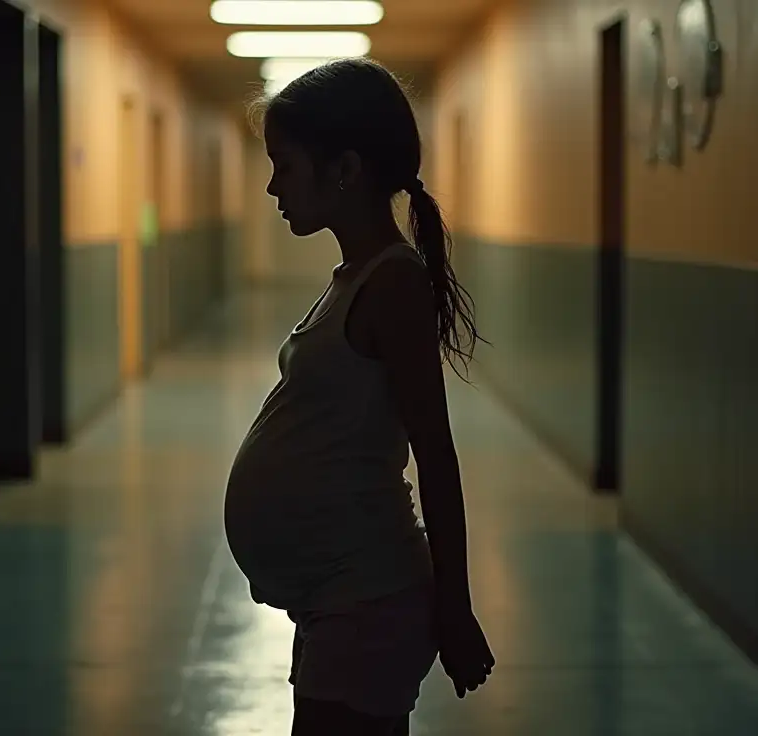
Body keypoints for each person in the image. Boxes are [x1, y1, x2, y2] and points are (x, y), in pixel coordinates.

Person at [222, 58, 496, 735]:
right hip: (337, 595)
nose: (272, 186)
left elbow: (435, 454)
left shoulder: (392, 286)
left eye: (284, 165)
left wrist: (453, 610)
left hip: (367, 598)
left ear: (344, 170)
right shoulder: (354, 276)